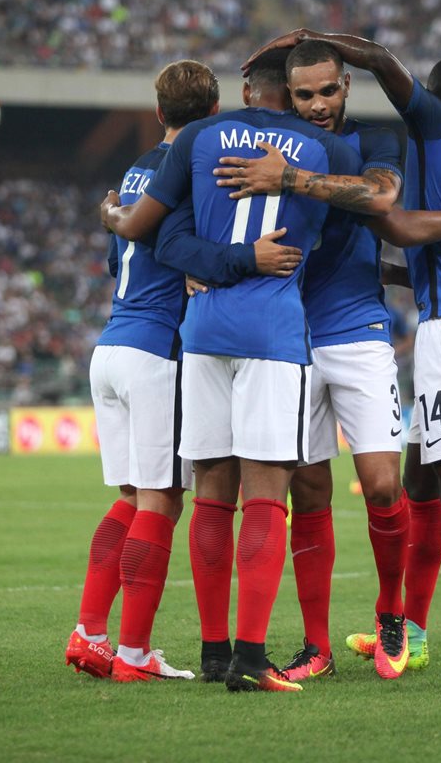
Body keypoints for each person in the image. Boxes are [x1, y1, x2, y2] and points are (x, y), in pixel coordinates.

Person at [243, 29, 441, 685]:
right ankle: (409, 628)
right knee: (420, 481)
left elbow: (386, 67)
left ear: (435, 102)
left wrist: (317, 39)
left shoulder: (432, 130)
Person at [101, 49, 365, 693]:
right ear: (296, 95)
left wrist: (118, 216)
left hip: (202, 331)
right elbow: (365, 209)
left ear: (246, 90)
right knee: (267, 499)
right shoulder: (321, 150)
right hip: (274, 331)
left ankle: (214, 649)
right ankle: (251, 658)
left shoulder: (196, 137)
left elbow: (162, 240)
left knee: (213, 495)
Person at [66, 59, 302, 684]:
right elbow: (179, 247)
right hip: (155, 352)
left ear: (158, 111)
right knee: (162, 500)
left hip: (111, 345)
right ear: (216, 114)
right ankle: (135, 654)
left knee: (132, 500)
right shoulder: (201, 174)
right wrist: (230, 261)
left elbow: (127, 241)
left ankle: (90, 632)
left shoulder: (133, 173)